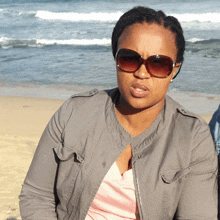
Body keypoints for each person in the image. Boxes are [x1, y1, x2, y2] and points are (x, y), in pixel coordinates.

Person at [19, 6, 218, 219]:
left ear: (174, 70)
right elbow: (36, 195)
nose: (142, 73)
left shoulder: (192, 137)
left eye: (158, 63)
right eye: (130, 59)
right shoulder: (75, 113)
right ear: (116, 58)